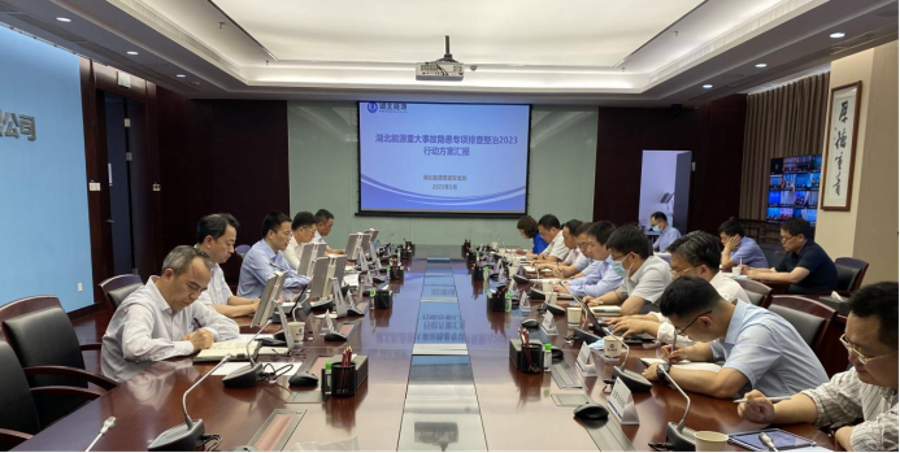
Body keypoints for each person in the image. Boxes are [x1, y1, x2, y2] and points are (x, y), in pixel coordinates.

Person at [739, 283, 898, 452]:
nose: (851, 358)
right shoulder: (872, 373)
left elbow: (865, 443)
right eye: (849, 344)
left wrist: (842, 431)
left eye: (864, 351)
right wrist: (771, 411)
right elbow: (827, 399)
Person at [642, 276, 829, 400]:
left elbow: (722, 386)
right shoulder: (731, 317)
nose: (684, 335)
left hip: (805, 425)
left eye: (682, 330)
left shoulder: (758, 330)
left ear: (705, 322)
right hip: (767, 410)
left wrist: (664, 371)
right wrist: (685, 353)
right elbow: (712, 349)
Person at [101, 246, 240, 383]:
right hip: (130, 387)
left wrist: (208, 333)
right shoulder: (141, 305)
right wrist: (191, 345)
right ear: (168, 275)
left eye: (202, 290)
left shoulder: (188, 301)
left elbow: (230, 326)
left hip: (167, 376)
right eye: (192, 286)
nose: (196, 296)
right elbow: (135, 348)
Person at [610, 232, 750, 344]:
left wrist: (647, 326)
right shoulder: (696, 291)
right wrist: (640, 319)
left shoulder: (725, 294)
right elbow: (674, 318)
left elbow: (698, 341)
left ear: (702, 270)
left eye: (678, 271)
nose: (673, 277)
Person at [585, 226, 672, 316]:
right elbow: (618, 295)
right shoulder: (633, 267)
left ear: (632, 257)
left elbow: (628, 310)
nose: (613, 262)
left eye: (614, 258)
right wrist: (597, 301)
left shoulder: (654, 271)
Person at [746, 218, 839, 295]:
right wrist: (749, 270)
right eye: (782, 238)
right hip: (797, 293)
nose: (783, 242)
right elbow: (773, 271)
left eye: (786, 238)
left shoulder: (813, 252)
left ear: (800, 237)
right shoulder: (792, 251)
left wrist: (757, 275)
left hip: (817, 296)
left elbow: (794, 277)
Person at [195, 214, 260, 319]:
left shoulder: (214, 264)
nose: (232, 250)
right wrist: (252, 308)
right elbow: (207, 309)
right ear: (209, 241)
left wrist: (255, 302)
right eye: (229, 244)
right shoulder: (192, 266)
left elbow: (229, 299)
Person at [238, 212, 311, 299]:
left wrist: (307, 278)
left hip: (271, 300)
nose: (289, 238)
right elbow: (276, 283)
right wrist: (307, 280)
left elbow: (290, 272)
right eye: (286, 234)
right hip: (251, 305)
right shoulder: (257, 255)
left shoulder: (278, 253)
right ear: (271, 234)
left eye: (290, 235)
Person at [558, 221, 623, 299]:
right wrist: (565, 283)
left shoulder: (618, 264)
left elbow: (599, 290)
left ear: (606, 245)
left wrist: (570, 289)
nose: (589, 250)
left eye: (592, 245)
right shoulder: (604, 261)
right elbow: (589, 279)